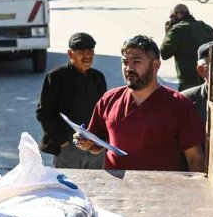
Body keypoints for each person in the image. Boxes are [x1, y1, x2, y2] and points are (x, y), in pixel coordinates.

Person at [74, 35, 205, 172]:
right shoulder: (109, 100)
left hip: (162, 189)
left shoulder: (180, 105)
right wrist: (85, 143)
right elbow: (96, 146)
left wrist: (193, 191)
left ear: (156, 65)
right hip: (116, 188)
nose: (129, 68)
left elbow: (195, 158)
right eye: (125, 62)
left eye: (136, 62)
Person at [36, 32, 107, 169]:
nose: (87, 55)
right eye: (81, 51)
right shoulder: (56, 77)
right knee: (69, 187)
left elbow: (105, 111)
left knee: (97, 187)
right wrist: (61, 141)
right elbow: (44, 112)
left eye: (90, 51)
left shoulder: (97, 77)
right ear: (70, 54)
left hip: (95, 148)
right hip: (69, 149)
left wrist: (101, 141)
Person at [161, 3, 213, 90]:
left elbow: (164, 54)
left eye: (171, 17)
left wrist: (167, 33)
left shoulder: (176, 30)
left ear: (176, 15)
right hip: (209, 79)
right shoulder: (206, 27)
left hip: (188, 82)